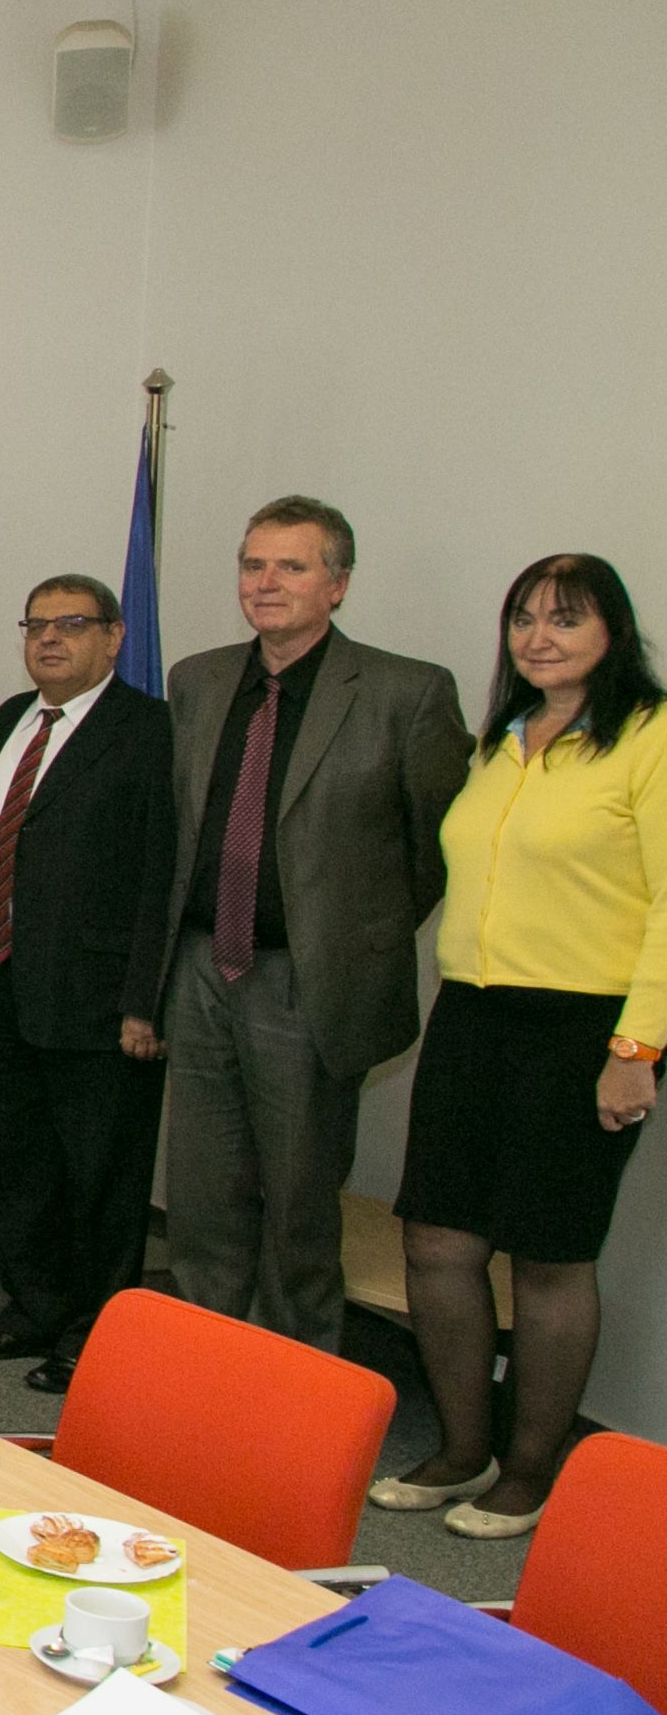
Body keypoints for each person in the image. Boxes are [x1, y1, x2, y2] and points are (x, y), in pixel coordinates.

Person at [372, 555, 665, 1537]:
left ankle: (532, 1470)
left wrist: (635, 1048)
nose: (538, 637)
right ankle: (464, 1449)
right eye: (523, 618)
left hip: (583, 1027)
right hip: (472, 1014)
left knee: (548, 1254)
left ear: (612, 632)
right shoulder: (503, 739)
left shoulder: (648, 737)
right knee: (437, 1240)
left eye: (565, 619)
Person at [163, 494, 471, 1350]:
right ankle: (194, 1373)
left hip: (309, 981)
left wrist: (350, 937)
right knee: (199, 1198)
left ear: (337, 584)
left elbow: (439, 846)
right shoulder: (197, 680)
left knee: (297, 1207)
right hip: (200, 968)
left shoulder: (406, 692)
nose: (266, 583)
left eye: (291, 566)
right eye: (253, 564)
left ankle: (290, 1391)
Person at [0, 577, 176, 1390]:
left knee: (101, 1176)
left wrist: (145, 999)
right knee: (17, 1166)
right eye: (36, 624)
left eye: (71, 624)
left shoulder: (149, 730)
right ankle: (33, 1310)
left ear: (114, 636)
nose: (49, 638)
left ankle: (93, 1334)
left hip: (99, 1000)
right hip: (5, 980)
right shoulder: (10, 719)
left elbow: (162, 873)